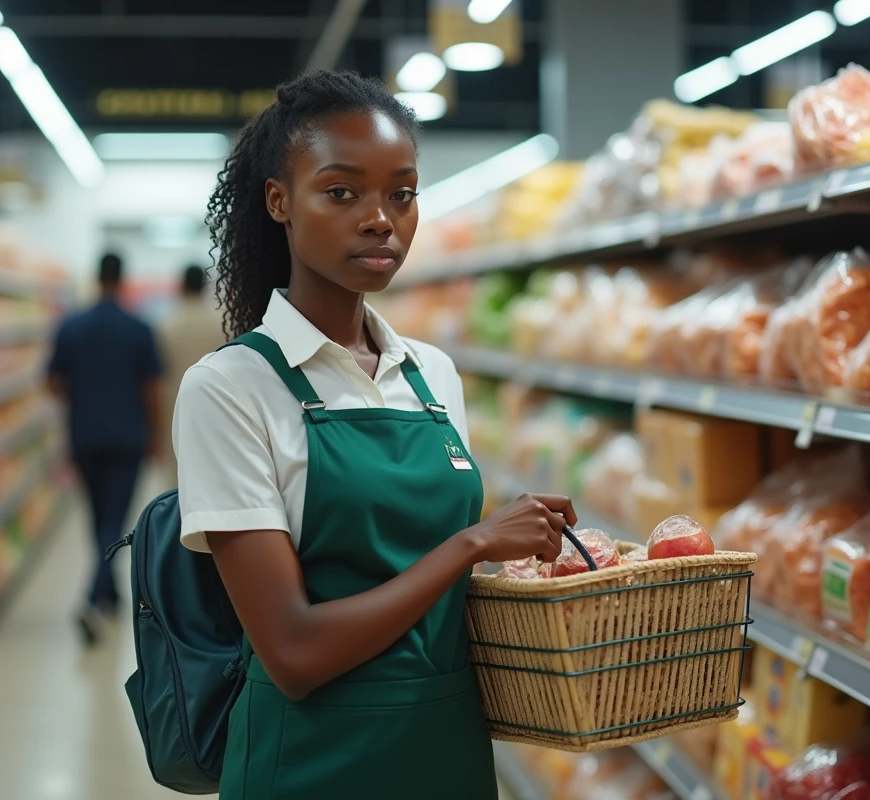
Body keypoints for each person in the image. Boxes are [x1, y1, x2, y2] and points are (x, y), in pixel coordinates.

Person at [172, 71, 575, 799]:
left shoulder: (433, 375)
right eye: (342, 192)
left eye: (402, 193)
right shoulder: (230, 389)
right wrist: (475, 543)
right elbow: (293, 650)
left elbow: (441, 604)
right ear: (279, 202)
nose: (380, 218)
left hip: (447, 752)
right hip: (312, 764)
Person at [48, 253, 162, 644]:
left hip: (85, 436)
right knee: (114, 520)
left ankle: (106, 594)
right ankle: (95, 597)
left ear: (97, 278)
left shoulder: (71, 326)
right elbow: (152, 389)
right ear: (123, 278)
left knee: (98, 518)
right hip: (127, 438)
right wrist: (156, 437)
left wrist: (82, 397)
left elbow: (53, 381)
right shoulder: (139, 328)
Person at [154, 264, 223, 488]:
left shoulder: (166, 326)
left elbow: (159, 377)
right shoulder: (221, 326)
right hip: (216, 409)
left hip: (174, 409)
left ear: (182, 287)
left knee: (177, 480)